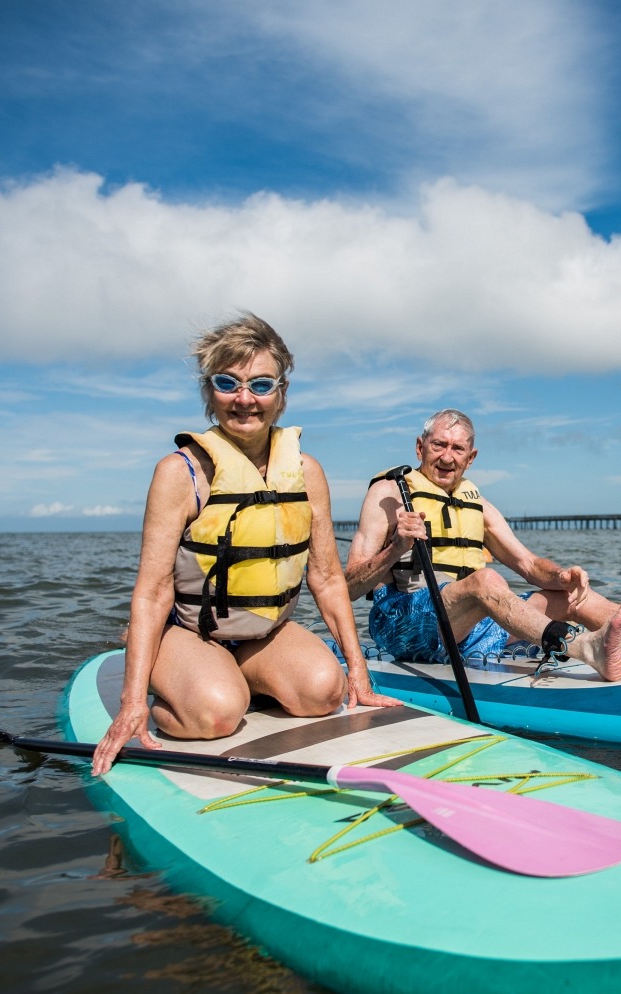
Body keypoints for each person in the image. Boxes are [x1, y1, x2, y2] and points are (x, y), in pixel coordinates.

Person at [91, 315, 400, 776]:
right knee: (215, 715)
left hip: (264, 634)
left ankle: (239, 677)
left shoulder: (306, 472)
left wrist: (359, 671)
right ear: (208, 391)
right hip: (195, 631)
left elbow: (328, 577)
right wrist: (132, 702)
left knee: (323, 692)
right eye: (227, 383)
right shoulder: (180, 474)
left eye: (260, 384)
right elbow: (153, 590)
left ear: (281, 392)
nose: (244, 399)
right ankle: (177, 676)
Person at [345, 409, 621, 682]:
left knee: (571, 595)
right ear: (420, 447)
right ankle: (584, 647)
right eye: (439, 446)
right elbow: (347, 587)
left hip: (466, 633)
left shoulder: (478, 504)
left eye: (458, 449)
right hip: (406, 628)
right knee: (486, 581)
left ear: (472, 457)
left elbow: (526, 562)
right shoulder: (388, 494)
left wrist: (561, 576)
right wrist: (395, 547)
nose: (448, 457)